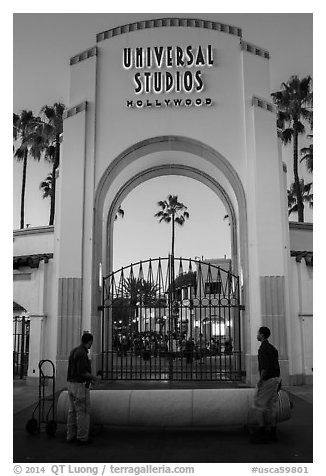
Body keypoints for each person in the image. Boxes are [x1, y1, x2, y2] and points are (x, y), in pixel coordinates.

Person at [66, 332, 98, 445]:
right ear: (89, 342)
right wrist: (94, 377)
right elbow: (82, 372)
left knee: (72, 411)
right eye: (91, 342)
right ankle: (82, 437)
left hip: (70, 384)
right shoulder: (82, 353)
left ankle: (70, 435)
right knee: (82, 411)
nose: (91, 345)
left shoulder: (74, 351)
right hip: (79, 385)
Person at [251, 326, 281, 443]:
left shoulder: (262, 349)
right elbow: (276, 365)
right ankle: (273, 432)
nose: (257, 335)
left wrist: (260, 380)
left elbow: (265, 368)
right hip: (276, 379)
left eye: (258, 333)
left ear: (262, 335)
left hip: (268, 380)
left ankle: (261, 431)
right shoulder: (273, 348)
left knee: (259, 405)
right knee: (273, 406)